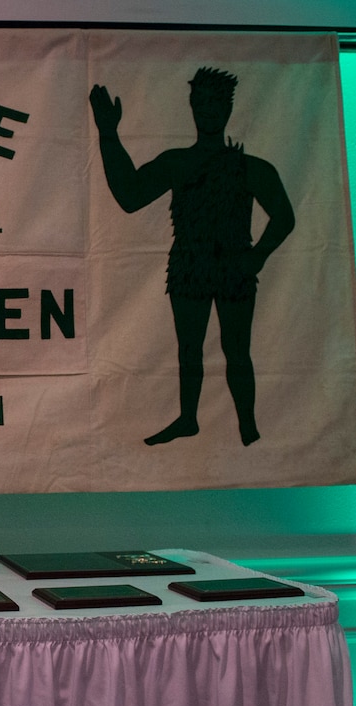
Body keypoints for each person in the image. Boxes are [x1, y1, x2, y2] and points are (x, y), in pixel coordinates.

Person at [89, 67, 295, 446]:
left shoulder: (250, 167)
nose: (208, 111)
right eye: (201, 103)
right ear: (192, 106)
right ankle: (188, 418)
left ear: (228, 107)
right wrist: (108, 134)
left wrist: (257, 258)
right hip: (189, 266)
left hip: (234, 266)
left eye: (216, 103)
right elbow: (130, 195)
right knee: (189, 349)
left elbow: (284, 217)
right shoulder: (178, 163)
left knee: (237, 350)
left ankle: (247, 424)